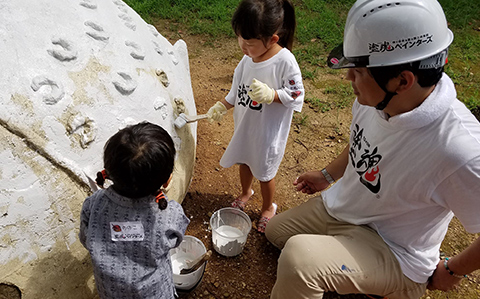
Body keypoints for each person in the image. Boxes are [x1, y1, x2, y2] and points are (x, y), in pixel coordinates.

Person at [265, 0, 480, 298]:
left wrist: (453, 269)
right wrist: (327, 176)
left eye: (358, 71)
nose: (348, 78)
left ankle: (395, 288)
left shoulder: (461, 149)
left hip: (395, 250)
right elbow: (360, 140)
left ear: (402, 81)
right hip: (346, 211)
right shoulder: (375, 98)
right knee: (276, 232)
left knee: (299, 259)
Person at [206, 0, 304, 233]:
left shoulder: (284, 61)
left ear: (272, 39)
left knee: (264, 172)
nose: (242, 47)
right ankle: (245, 193)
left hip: (267, 134)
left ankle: (268, 206)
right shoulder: (247, 59)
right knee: (244, 162)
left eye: (249, 43)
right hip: (245, 127)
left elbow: (297, 94)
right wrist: (221, 106)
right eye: (240, 39)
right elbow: (235, 92)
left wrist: (273, 95)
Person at [79, 122, 190, 299]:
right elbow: (175, 240)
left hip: (110, 292)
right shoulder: (169, 214)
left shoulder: (93, 204)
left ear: (108, 171)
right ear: (167, 180)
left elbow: (86, 238)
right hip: (154, 293)